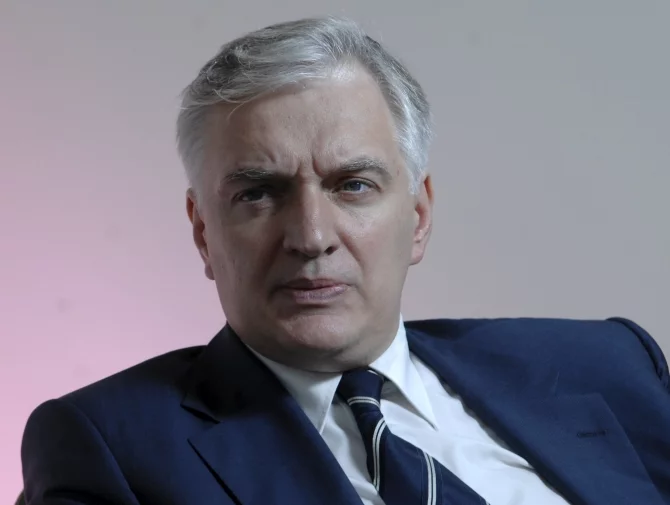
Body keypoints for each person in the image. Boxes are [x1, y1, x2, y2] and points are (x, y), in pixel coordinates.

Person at [21, 16, 670, 505]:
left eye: (353, 185)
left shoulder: (612, 365)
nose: (310, 236)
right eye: (259, 193)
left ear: (419, 216)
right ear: (202, 233)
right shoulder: (106, 448)